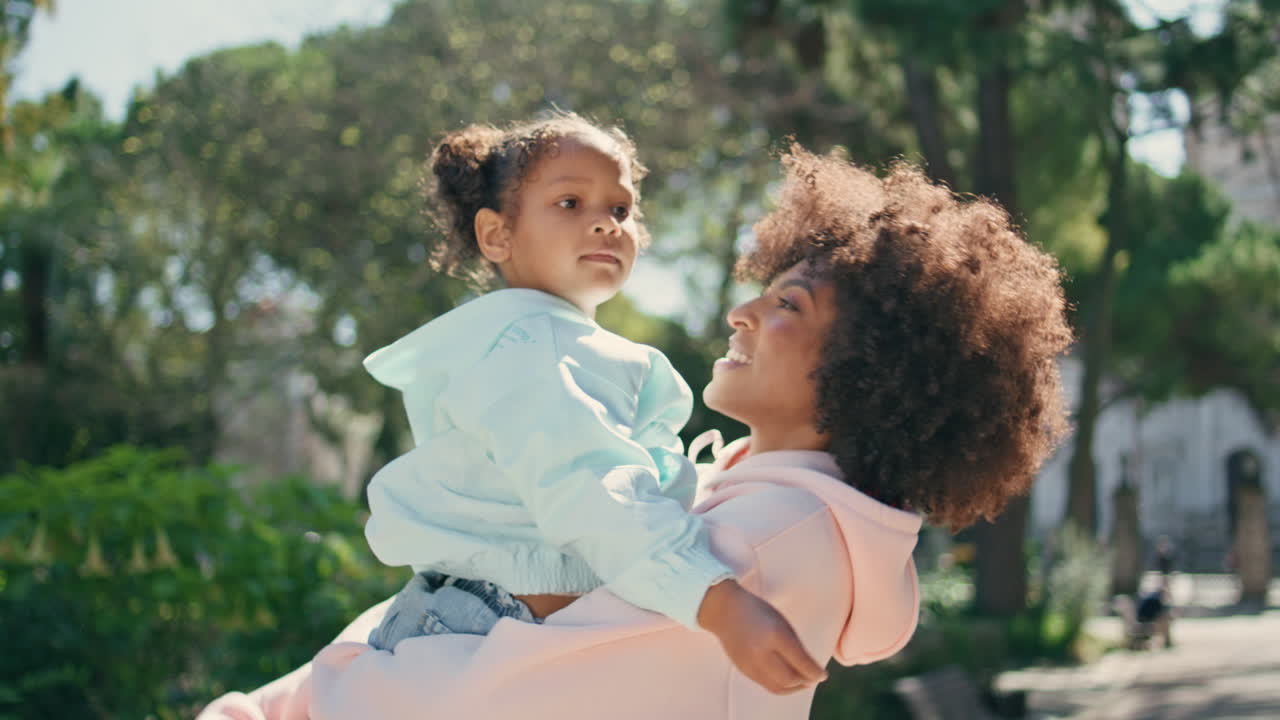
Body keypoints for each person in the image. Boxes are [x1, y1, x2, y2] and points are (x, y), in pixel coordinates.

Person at [197, 145, 1072, 720]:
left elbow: (497, 700)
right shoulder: (755, 510)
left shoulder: (759, 550)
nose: (740, 310)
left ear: (872, 367)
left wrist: (281, 705)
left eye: (786, 305)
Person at [357, 111, 824, 694]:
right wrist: (718, 602)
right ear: (497, 235)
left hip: (471, 617)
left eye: (620, 210)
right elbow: (592, 490)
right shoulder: (543, 348)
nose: (605, 224)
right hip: (485, 623)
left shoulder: (535, 344)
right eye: (570, 204)